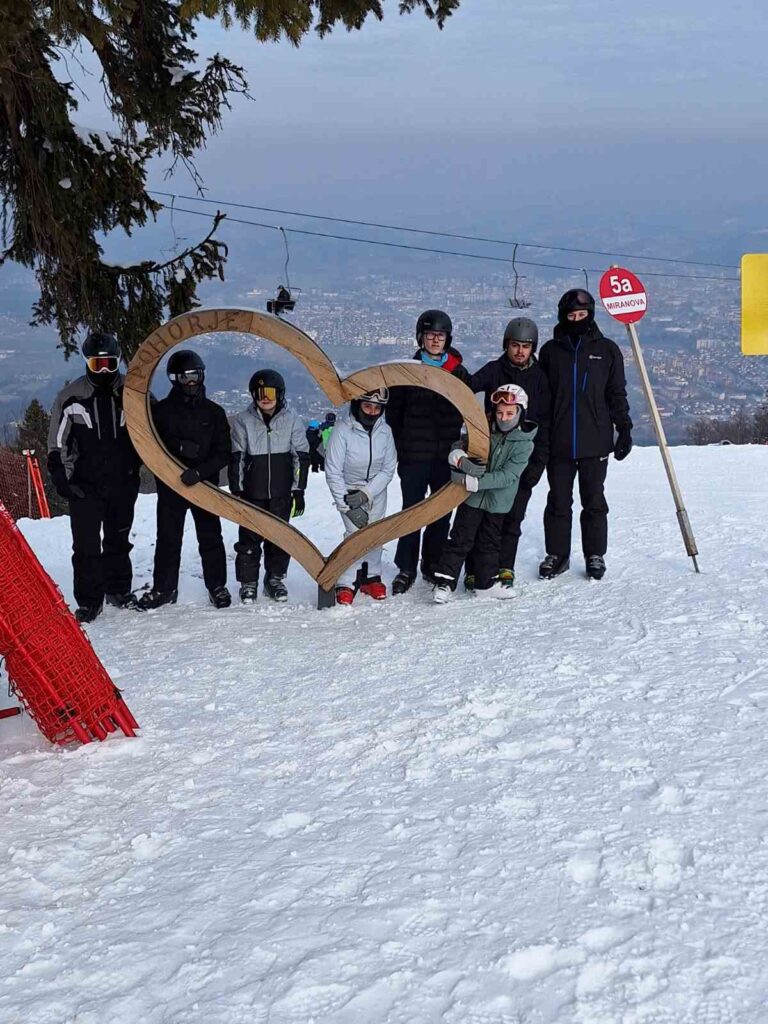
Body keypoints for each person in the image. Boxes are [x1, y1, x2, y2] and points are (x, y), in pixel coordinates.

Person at [537, 289, 632, 581]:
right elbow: (543, 397)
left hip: (595, 441)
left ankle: (595, 555)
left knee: (594, 500)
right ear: (563, 317)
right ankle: (557, 554)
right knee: (558, 501)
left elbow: (616, 393)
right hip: (559, 442)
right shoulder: (551, 352)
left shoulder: (607, 350)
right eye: (571, 316)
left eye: (582, 315)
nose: (577, 320)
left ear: (591, 316)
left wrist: (624, 428)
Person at [47, 331, 142, 623]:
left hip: (123, 481)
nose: (103, 370)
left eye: (109, 364)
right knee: (86, 545)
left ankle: (118, 589)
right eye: (97, 364)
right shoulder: (71, 396)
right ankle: (89, 600)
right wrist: (63, 478)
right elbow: (57, 442)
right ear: (87, 363)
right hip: (85, 485)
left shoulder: (131, 392)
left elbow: (151, 430)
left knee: (119, 539)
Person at [385, 309, 471, 594]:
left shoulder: (458, 372)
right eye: (431, 335)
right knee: (411, 510)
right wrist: (402, 445)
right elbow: (394, 413)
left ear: (448, 339)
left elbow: (469, 411)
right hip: (414, 454)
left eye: (441, 335)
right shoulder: (407, 371)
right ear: (421, 337)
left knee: (440, 511)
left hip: (445, 453)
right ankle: (406, 567)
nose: (436, 340)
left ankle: (433, 562)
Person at [139, 350, 232, 610]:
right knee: (168, 538)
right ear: (174, 378)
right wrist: (179, 449)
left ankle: (217, 586)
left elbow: (223, 451)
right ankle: (164, 588)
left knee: (211, 536)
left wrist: (201, 472)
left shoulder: (214, 412)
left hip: (205, 484)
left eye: (195, 375)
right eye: (185, 376)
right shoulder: (161, 412)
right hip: (171, 485)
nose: (191, 381)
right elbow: (150, 445)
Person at [466, 317, 551, 589]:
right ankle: (473, 568)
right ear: (507, 345)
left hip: (522, 458)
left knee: (512, 517)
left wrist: (538, 464)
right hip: (491, 458)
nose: (520, 351)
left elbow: (545, 423)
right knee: (479, 517)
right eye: (515, 345)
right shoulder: (494, 370)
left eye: (526, 346)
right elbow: (468, 388)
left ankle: (505, 566)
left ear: (532, 348)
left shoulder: (540, 379)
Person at [432, 384, 536, 602]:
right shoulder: (483, 430)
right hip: (472, 500)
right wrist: (460, 458)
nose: (504, 418)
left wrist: (475, 482)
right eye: (499, 413)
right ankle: (445, 581)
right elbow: (460, 444)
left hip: (498, 501)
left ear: (520, 413)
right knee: (461, 538)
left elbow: (508, 476)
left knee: (489, 542)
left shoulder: (525, 444)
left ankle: (485, 582)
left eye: (510, 413)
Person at [229, 369, 309, 603]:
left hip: (281, 491)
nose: (265, 397)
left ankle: (274, 578)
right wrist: (238, 490)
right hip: (253, 492)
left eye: (271, 392)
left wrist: (298, 489)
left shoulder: (291, 419)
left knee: (280, 537)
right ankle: (248, 582)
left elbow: (300, 455)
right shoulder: (244, 420)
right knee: (249, 539)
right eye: (260, 392)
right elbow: (237, 457)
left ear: (280, 394)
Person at [324, 388, 397, 605]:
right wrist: (346, 504)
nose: (372, 412)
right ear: (357, 405)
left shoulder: (385, 431)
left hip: (375, 490)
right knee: (353, 534)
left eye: (377, 408)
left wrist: (366, 494)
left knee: (375, 533)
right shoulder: (342, 430)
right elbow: (333, 470)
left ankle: (371, 576)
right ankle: (346, 581)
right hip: (348, 488)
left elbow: (388, 468)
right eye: (367, 406)